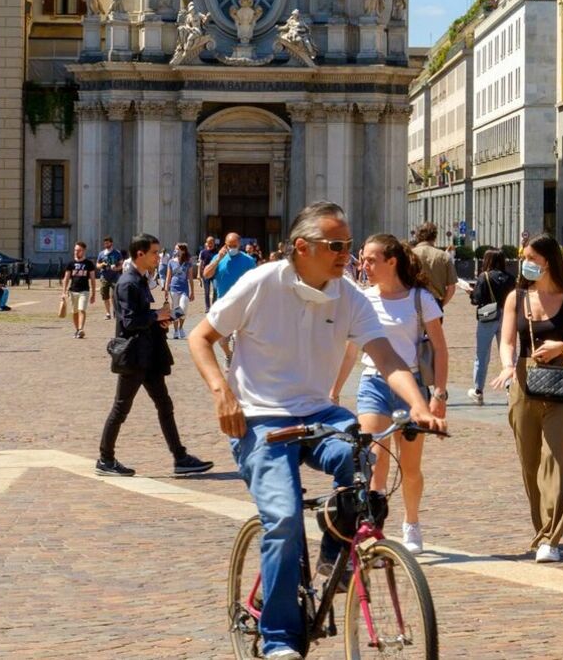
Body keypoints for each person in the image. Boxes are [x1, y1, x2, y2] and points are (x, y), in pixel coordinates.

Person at [185, 203, 446, 660]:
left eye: (349, 244)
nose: (348, 254)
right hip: (259, 418)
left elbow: (386, 357)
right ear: (301, 248)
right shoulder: (261, 283)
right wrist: (221, 393)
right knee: (284, 520)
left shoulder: (348, 295)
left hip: (320, 413)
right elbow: (200, 337)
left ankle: (333, 559)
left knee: (362, 467)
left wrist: (420, 405)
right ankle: (280, 640)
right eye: (337, 246)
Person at [333, 233, 449, 554]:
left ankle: (411, 521)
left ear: (392, 262)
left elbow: (439, 348)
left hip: (411, 386)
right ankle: (375, 527)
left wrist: (438, 394)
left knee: (410, 468)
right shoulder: (364, 299)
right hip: (373, 383)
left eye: (371, 260)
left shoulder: (420, 299)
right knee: (374, 460)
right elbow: (351, 350)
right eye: (363, 258)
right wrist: (335, 389)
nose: (364, 265)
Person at [490, 234, 563, 562]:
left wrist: (561, 347)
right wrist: (507, 366)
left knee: (558, 461)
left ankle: (551, 536)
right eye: (524, 258)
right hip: (522, 381)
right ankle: (541, 529)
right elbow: (506, 340)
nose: (526, 263)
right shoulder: (516, 298)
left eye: (532, 258)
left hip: (562, 382)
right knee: (530, 462)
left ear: (548, 260)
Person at [96, 233, 213, 480]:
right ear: (140, 254)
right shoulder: (127, 282)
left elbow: (142, 316)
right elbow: (128, 321)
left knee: (164, 404)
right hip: (134, 355)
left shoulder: (140, 279)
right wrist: (156, 315)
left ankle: (180, 458)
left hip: (148, 354)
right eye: (154, 253)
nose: (158, 257)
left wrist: (159, 320)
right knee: (121, 408)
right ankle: (105, 458)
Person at [467, 248, 511, 405]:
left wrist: (470, 292)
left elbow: (476, 300)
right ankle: (510, 389)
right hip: (507, 317)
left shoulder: (484, 277)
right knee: (507, 352)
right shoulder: (510, 277)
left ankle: (478, 390)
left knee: (482, 355)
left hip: (488, 317)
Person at [201, 230, 257, 302]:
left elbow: (255, 281)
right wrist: (218, 259)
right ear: (225, 244)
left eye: (235, 246)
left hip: (242, 302)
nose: (232, 248)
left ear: (239, 244)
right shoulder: (218, 257)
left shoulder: (249, 260)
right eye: (230, 246)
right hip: (222, 301)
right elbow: (206, 274)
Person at [410, 223, 457, 306]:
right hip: (435, 301)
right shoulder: (444, 256)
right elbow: (451, 287)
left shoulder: (410, 255)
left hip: (412, 301)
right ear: (435, 237)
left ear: (417, 236)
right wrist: (441, 304)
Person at [159, 242, 195, 340]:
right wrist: (166, 289)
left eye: (177, 249)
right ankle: (175, 331)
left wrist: (192, 291)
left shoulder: (188, 262)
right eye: (175, 249)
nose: (175, 250)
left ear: (183, 250)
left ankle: (181, 327)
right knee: (175, 309)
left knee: (183, 308)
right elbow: (168, 276)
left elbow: (191, 278)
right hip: (173, 288)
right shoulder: (171, 261)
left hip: (184, 289)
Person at [60, 241, 93, 339]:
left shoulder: (89, 263)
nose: (76, 252)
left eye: (78, 250)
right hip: (73, 290)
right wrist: (63, 292)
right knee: (74, 312)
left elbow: (92, 279)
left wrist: (94, 294)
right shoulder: (71, 264)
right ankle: (78, 330)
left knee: (81, 309)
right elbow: (66, 278)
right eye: (75, 250)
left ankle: (81, 329)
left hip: (84, 291)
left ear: (83, 251)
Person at [95, 236, 123, 321]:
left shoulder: (117, 253)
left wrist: (117, 268)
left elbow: (121, 264)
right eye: (105, 243)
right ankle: (108, 313)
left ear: (111, 243)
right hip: (104, 277)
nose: (106, 244)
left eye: (107, 243)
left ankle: (116, 311)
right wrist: (101, 265)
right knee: (105, 295)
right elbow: (97, 265)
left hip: (115, 277)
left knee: (114, 296)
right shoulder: (101, 254)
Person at [198, 235, 220, 311]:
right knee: (206, 291)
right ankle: (207, 307)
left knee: (215, 289)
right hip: (206, 274)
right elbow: (200, 263)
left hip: (215, 274)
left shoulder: (217, 252)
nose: (210, 244)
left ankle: (213, 306)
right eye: (208, 242)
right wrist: (199, 274)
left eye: (211, 242)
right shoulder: (203, 252)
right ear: (206, 243)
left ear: (214, 243)